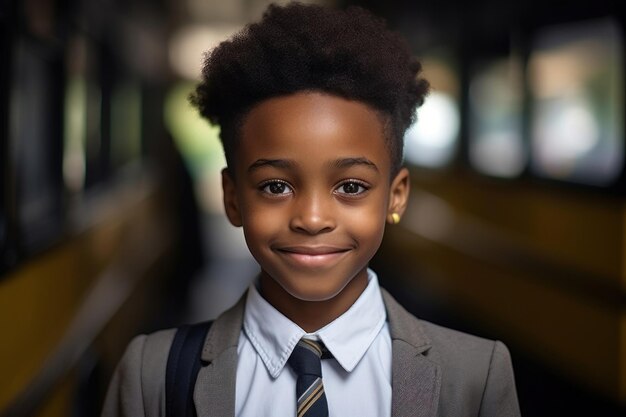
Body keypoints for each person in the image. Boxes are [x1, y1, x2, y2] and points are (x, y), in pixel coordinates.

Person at [101, 3, 521, 417]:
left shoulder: (475, 377)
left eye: (351, 186)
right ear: (233, 198)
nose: (313, 218)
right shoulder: (150, 375)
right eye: (276, 186)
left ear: (396, 196)